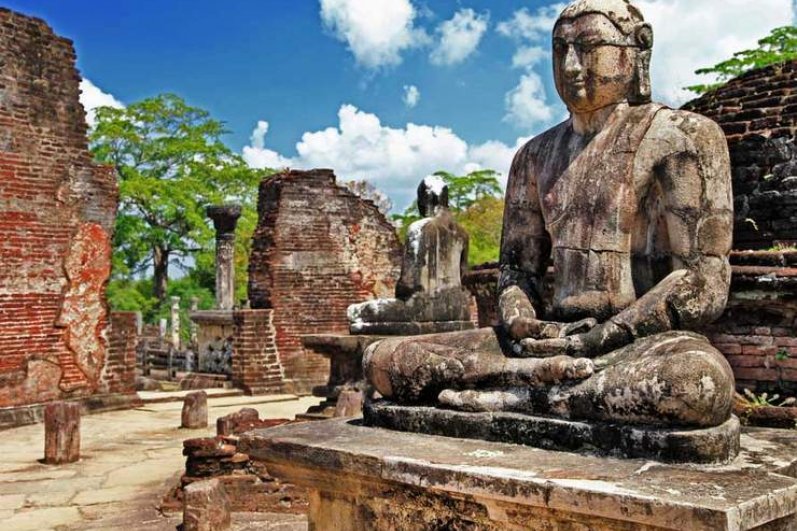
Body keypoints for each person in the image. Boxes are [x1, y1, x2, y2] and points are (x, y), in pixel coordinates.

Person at [363, 0, 735, 428]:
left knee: (694, 384)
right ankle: (537, 386)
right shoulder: (534, 156)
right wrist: (520, 319)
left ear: (638, 49)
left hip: (633, 343)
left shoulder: (683, 138)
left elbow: (703, 283)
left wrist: (601, 338)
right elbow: (518, 271)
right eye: (560, 50)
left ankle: (517, 394)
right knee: (385, 360)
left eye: (590, 47)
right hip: (545, 343)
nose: (572, 66)